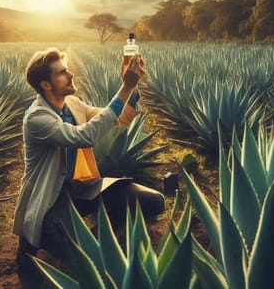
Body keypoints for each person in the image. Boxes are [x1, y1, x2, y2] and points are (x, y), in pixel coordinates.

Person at [12, 47, 165, 270]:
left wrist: (133, 86)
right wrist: (124, 87)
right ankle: (33, 240)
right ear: (46, 84)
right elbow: (84, 136)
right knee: (83, 265)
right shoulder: (36, 118)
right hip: (51, 199)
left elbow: (117, 119)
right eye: (62, 72)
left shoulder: (72, 104)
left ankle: (97, 237)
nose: (71, 74)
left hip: (81, 187)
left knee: (154, 202)